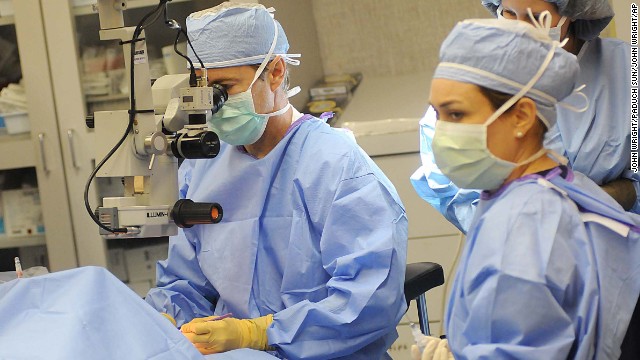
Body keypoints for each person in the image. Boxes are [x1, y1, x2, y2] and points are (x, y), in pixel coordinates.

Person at [144, 3, 408, 360]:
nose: (213, 107)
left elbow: (369, 301)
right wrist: (162, 319)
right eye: (204, 94)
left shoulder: (336, 166)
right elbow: (186, 282)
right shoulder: (202, 168)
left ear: (275, 72)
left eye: (224, 90)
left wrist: (257, 333)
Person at [410, 17, 640, 359]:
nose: (441, 133)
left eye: (456, 115)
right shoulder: (544, 190)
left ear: (521, 117)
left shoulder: (526, 221)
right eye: (436, 113)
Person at [411, 0, 637, 233]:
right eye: (509, 13)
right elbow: (449, 180)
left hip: (618, 241)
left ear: (573, 12)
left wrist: (589, 203)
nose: (519, 29)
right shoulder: (478, 71)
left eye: (536, 17)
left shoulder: (626, 70)